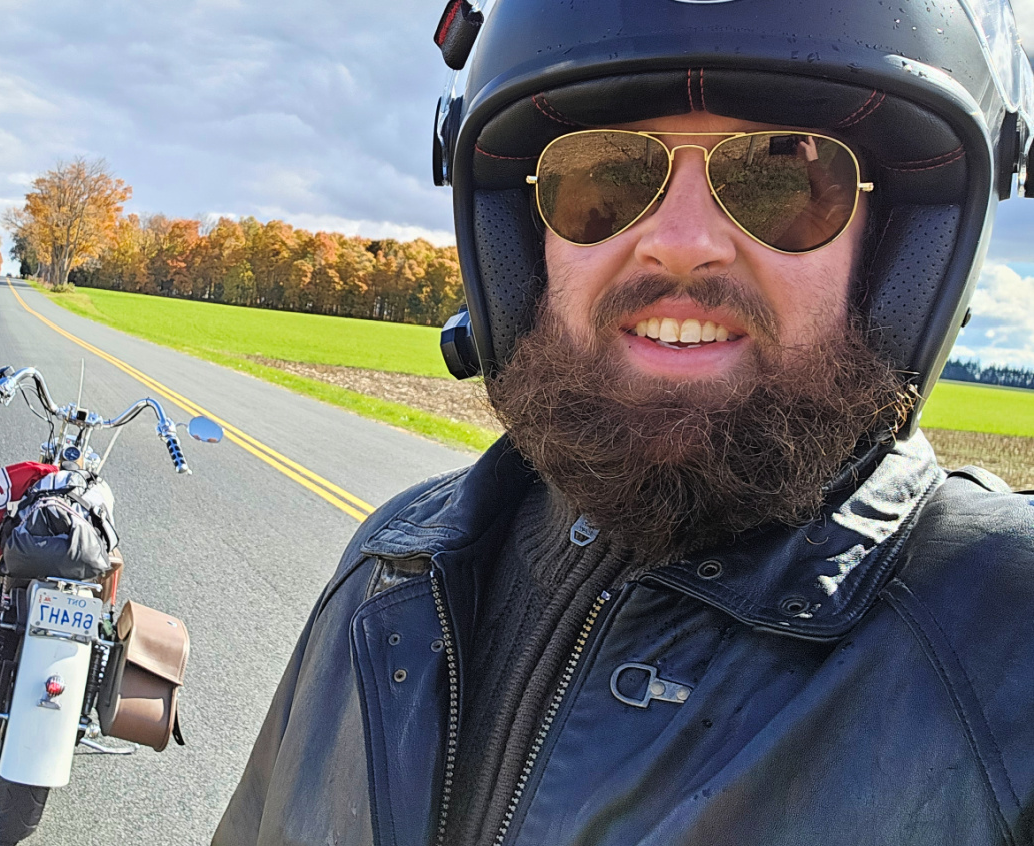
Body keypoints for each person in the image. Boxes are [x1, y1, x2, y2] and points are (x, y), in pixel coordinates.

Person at [213, 1, 1034, 844]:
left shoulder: (1006, 635)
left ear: (898, 244)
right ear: (525, 239)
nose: (679, 244)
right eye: (603, 177)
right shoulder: (388, 568)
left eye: (781, 178)